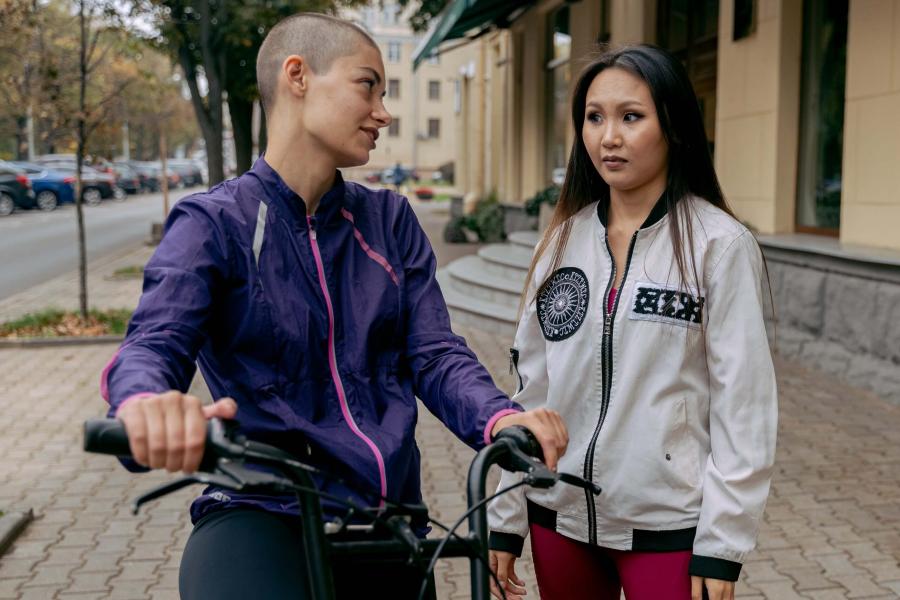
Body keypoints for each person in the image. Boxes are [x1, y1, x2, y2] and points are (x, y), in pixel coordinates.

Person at [100, 13, 567, 600]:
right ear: (298, 76)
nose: (384, 112)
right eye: (367, 85)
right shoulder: (214, 223)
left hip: (388, 514)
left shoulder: (390, 221)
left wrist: (500, 418)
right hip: (259, 507)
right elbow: (152, 344)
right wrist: (144, 404)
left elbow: (434, 352)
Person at [487, 44, 777, 600]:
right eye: (594, 117)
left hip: (665, 527)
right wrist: (507, 514)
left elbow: (745, 406)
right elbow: (532, 394)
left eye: (631, 117)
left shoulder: (718, 245)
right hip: (559, 514)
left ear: (673, 126)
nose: (608, 137)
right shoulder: (562, 243)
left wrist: (723, 544)